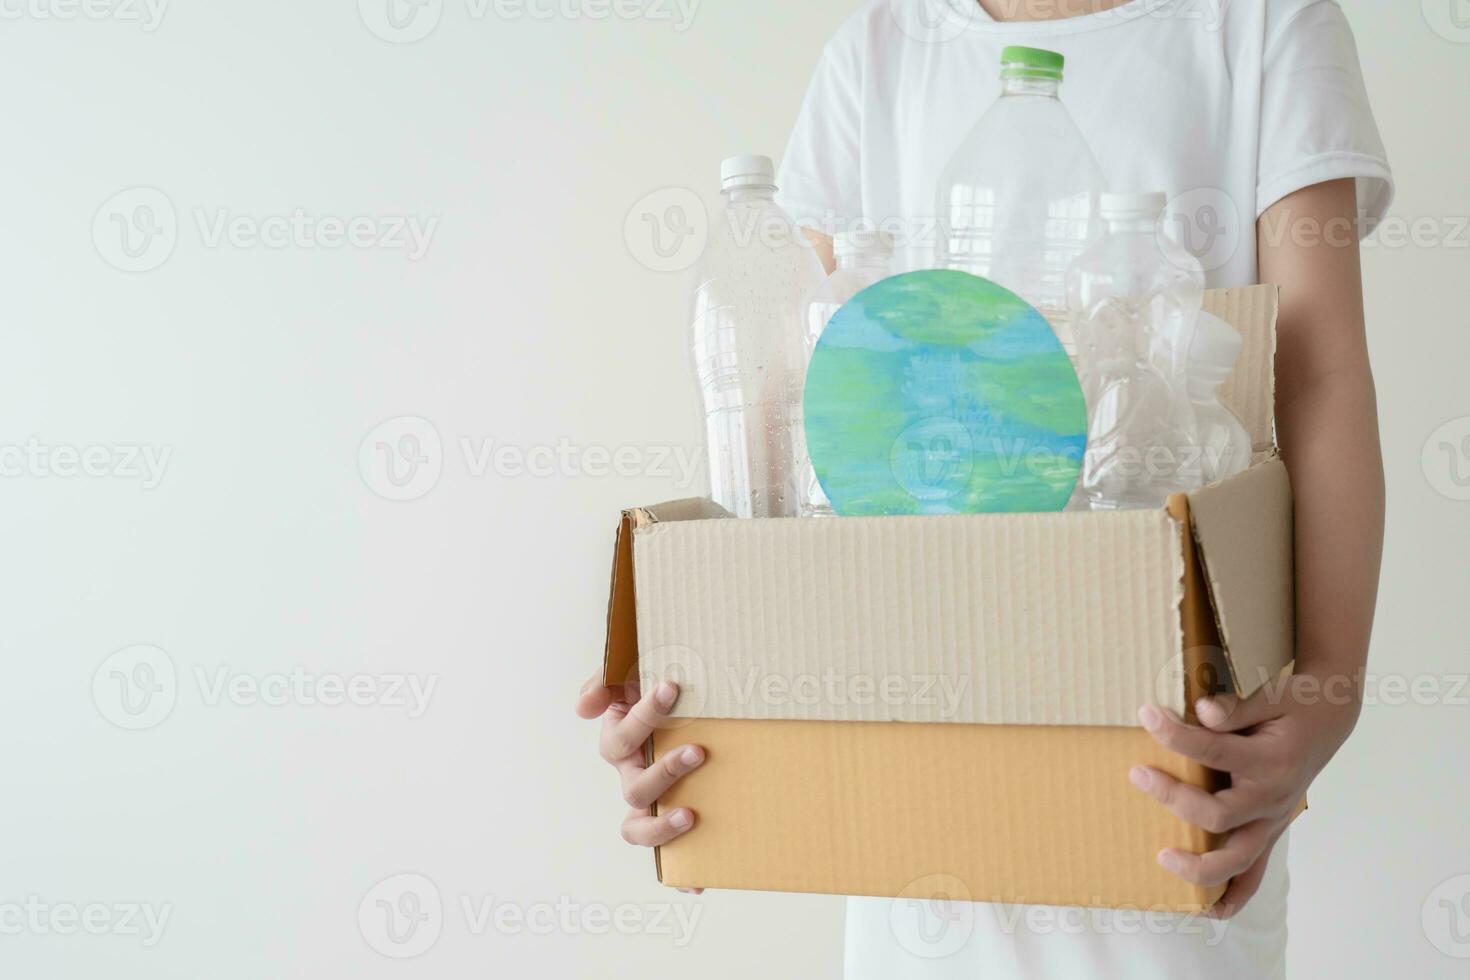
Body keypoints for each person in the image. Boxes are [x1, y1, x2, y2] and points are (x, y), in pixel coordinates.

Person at [579, 1, 1392, 976]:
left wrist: (1327, 691)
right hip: (909, 791)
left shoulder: (1260, 26)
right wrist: (704, 681)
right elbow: (804, 401)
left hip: (1165, 774)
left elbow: (1315, 371)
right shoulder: (879, 53)